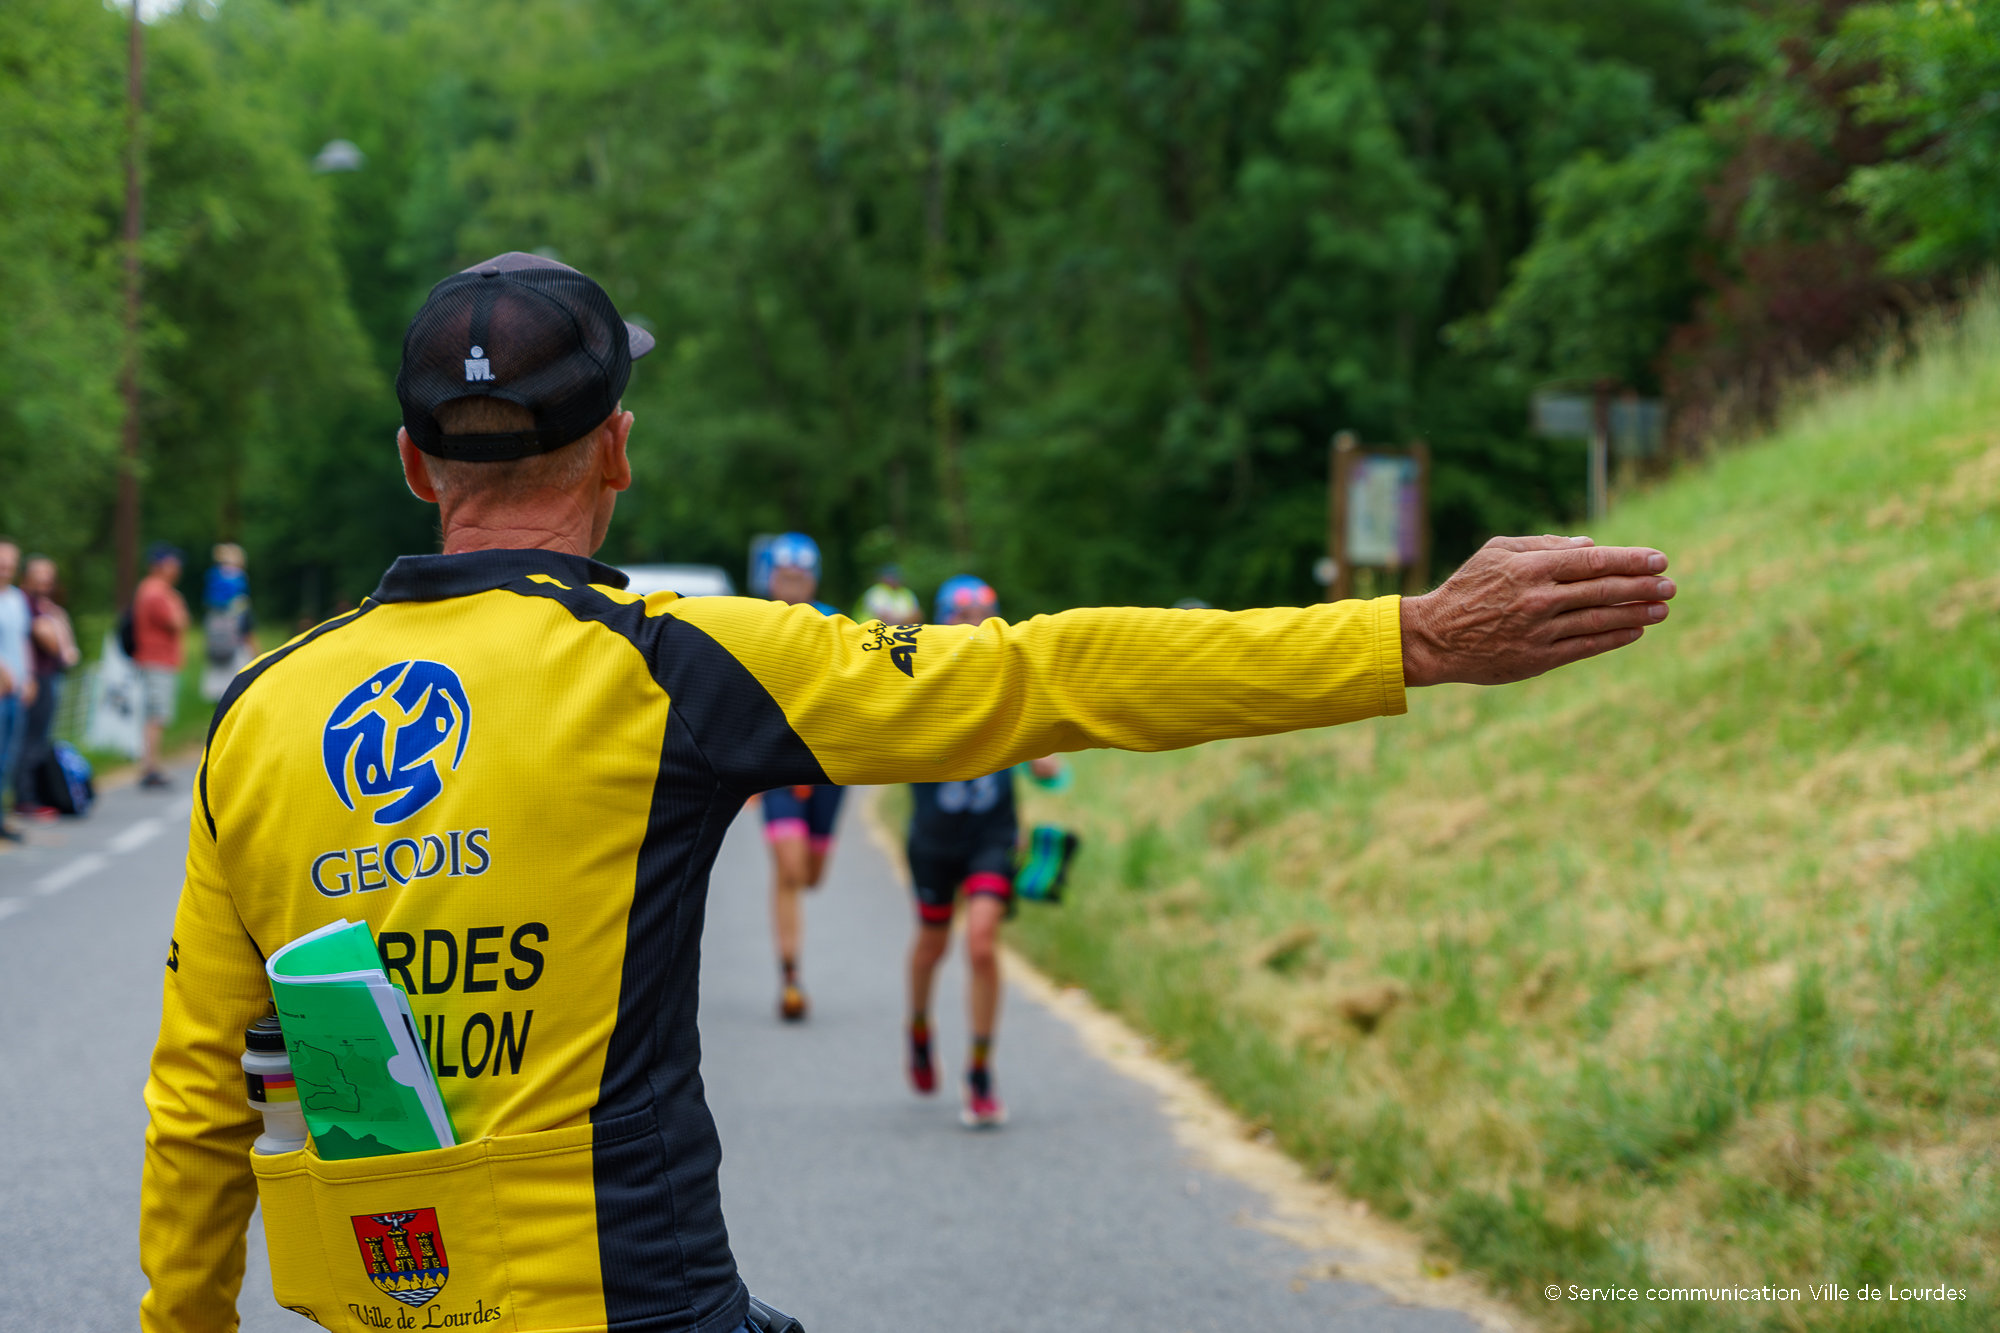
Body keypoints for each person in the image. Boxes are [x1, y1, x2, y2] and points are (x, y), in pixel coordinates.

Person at [138, 250, 1676, 1333]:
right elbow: (1048, 677)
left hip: (379, 1302)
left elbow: (204, 1093)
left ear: (417, 465)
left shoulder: (261, 712)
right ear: (619, 445)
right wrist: (1407, 635)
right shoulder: (678, 664)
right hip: (626, 1295)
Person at [902, 575, 1061, 1127]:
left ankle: (980, 1071)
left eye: (982, 615)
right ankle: (920, 1028)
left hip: (992, 836)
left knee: (982, 945)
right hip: (933, 840)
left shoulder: (1009, 679)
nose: (971, 626)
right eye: (960, 616)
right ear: (940, 622)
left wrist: (1039, 752)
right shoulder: (917, 679)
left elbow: (1050, 774)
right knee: (931, 946)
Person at [756, 530, 845, 1021]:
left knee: (810, 875)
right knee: (788, 869)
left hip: (830, 766)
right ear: (770, 578)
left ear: (813, 580)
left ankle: (792, 969)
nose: (791, 585)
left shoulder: (834, 625)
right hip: (777, 768)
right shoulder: (754, 625)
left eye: (800, 576)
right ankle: (790, 975)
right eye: (783, 576)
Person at [13, 555, 80, 820]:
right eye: (38, 574)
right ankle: (24, 798)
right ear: (27, 576)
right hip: (35, 677)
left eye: (48, 575)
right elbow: (52, 643)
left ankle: (33, 795)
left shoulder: (46, 607)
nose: (44, 580)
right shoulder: (26, 604)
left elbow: (68, 650)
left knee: (39, 738)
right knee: (30, 739)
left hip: (49, 675)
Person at [133, 542, 189, 790]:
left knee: (155, 714)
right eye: (174, 563)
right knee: (157, 714)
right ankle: (150, 767)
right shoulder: (157, 592)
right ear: (162, 565)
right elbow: (178, 621)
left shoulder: (152, 589)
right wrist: (178, 603)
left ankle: (151, 764)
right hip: (157, 661)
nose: (178, 569)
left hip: (155, 660)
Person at [200, 542, 255, 701]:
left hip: (216, 647)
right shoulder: (239, 587)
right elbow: (248, 629)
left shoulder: (213, 582)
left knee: (218, 695)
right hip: (236, 649)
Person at [0, 539, 28, 841]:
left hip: (16, 692)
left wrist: (28, 675)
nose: (5, 567)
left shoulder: (17, 599)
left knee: (8, 757)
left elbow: (22, 642)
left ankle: (3, 817)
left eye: (10, 561)